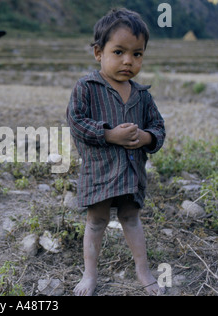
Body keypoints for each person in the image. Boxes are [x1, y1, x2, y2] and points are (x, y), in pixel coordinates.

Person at [67, 8, 166, 296]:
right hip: (100, 172)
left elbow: (158, 127)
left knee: (131, 219)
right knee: (96, 221)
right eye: (119, 52)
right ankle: (90, 274)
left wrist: (146, 137)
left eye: (137, 54)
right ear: (99, 53)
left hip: (132, 172)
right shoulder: (87, 87)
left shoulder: (142, 95)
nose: (128, 61)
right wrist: (110, 134)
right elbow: (76, 122)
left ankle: (143, 271)